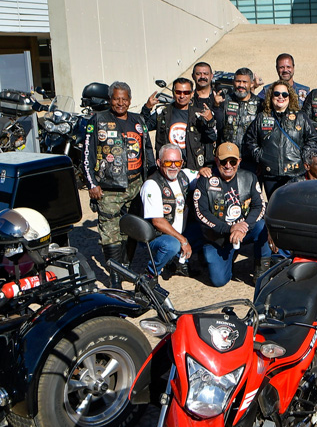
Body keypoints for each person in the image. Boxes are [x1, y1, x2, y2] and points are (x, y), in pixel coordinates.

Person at [82, 81, 155, 288]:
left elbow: (147, 151)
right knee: (110, 232)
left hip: (136, 184)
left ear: (130, 101)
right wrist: (92, 183)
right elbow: (87, 155)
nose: (120, 103)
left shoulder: (138, 120)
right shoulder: (97, 120)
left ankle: (126, 266)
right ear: (109, 100)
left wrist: (149, 180)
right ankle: (115, 278)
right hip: (108, 188)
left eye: (124, 99)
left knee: (132, 228)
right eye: (116, 99)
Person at [193, 143, 270, 287]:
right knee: (219, 281)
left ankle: (262, 271)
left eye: (233, 161)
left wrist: (244, 226)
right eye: (223, 161)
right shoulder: (205, 180)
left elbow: (259, 206)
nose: (228, 165)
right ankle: (217, 255)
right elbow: (201, 213)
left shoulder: (250, 177)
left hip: (242, 230)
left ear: (239, 161)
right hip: (217, 237)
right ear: (216, 161)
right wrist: (229, 229)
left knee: (263, 226)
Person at [243, 79, 317, 199]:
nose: (280, 97)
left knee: (295, 208)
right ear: (270, 96)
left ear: (290, 96)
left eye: (284, 94)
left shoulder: (300, 117)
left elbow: (313, 139)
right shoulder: (262, 118)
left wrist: (302, 156)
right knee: (275, 208)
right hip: (271, 175)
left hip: (294, 174)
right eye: (276, 94)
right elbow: (250, 140)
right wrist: (260, 156)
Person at [140, 144, 204, 278]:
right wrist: (183, 240)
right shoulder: (151, 185)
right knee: (172, 244)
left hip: (182, 230)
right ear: (159, 162)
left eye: (177, 162)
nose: (173, 166)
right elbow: (157, 221)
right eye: (168, 162)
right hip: (157, 236)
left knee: (207, 229)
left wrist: (205, 171)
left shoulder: (184, 175)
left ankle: (178, 262)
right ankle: (151, 273)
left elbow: (201, 176)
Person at [141, 77, 217, 170]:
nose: (182, 96)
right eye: (178, 92)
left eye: (186, 92)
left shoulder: (199, 114)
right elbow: (142, 127)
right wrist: (147, 108)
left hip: (192, 168)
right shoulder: (162, 113)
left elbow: (211, 138)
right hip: (168, 167)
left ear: (192, 94)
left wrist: (210, 121)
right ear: (173, 93)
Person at [220, 67, 262, 157]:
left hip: (250, 158)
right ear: (233, 82)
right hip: (228, 156)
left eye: (245, 82)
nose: (241, 85)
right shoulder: (225, 101)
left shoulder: (260, 104)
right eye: (238, 81)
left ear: (251, 84)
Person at [191, 61, 222, 165]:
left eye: (206, 74)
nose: (202, 77)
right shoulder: (187, 100)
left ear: (211, 76)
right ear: (193, 76)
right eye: (198, 74)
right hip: (193, 156)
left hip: (215, 158)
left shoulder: (221, 99)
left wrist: (217, 106)